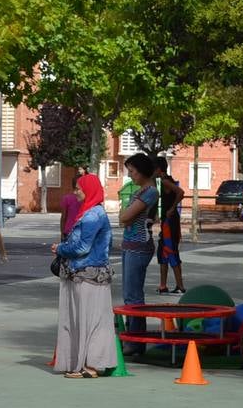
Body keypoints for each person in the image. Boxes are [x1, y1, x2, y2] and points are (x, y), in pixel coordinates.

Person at [50, 173, 118, 378]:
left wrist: (60, 248)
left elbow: (81, 247)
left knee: (87, 320)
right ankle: (90, 363)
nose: (75, 192)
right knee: (92, 319)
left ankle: (90, 365)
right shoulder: (95, 213)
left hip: (86, 275)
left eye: (79, 188)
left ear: (88, 190)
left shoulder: (91, 216)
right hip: (91, 274)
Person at [117, 153, 159, 349]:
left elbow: (126, 216)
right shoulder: (141, 190)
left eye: (132, 171)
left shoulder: (149, 191)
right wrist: (124, 216)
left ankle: (136, 340)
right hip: (129, 244)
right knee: (128, 293)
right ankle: (132, 337)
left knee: (133, 295)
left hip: (139, 245)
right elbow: (123, 217)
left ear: (142, 171)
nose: (130, 175)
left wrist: (125, 215)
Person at [154, 157, 186, 294]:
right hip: (167, 221)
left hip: (170, 222)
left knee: (171, 250)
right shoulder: (162, 181)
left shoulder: (166, 181)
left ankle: (180, 286)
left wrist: (172, 208)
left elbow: (181, 192)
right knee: (163, 252)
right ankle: (163, 285)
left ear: (158, 169)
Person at [58, 176, 82, 240]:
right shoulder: (87, 199)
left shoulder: (67, 198)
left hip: (68, 230)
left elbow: (63, 217)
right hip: (82, 231)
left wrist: (62, 233)